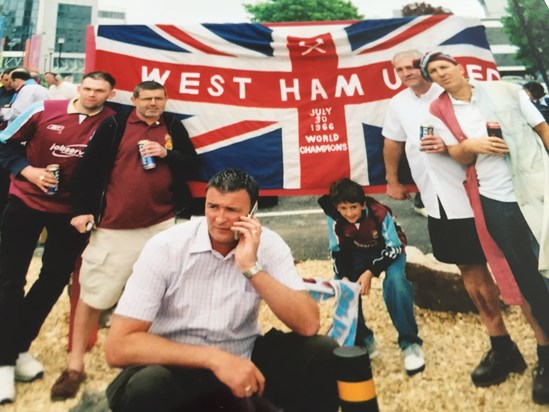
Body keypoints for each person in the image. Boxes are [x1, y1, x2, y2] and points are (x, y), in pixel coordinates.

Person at [102, 168, 339, 412]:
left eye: (232, 210)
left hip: (243, 357)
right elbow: (118, 347)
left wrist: (251, 268)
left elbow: (308, 324)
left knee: (323, 353)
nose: (220, 218)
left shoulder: (269, 245)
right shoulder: (166, 247)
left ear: (252, 213)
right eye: (213, 207)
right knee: (147, 385)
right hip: (174, 365)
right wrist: (214, 358)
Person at [382, 50, 532, 388]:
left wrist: (452, 147)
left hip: (481, 196)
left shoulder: (454, 95)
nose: (408, 72)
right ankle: (502, 346)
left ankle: (544, 348)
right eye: (400, 69)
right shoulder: (399, 103)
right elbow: (392, 141)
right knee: (473, 277)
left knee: (518, 272)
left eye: (414, 66)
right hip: (440, 204)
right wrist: (392, 179)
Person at [51, 80, 200, 400]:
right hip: (115, 226)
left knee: (168, 294)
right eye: (146, 98)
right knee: (93, 292)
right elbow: (87, 170)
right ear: (133, 99)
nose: (152, 104)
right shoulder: (114, 125)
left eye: (158, 98)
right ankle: (74, 365)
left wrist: (166, 153)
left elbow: (193, 165)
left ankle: (157, 359)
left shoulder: (173, 125)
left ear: (165, 100)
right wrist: (81, 210)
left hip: (162, 225)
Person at [421, 51, 549, 404]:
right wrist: (469, 146)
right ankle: (546, 359)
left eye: (444, 66)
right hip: (496, 200)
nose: (440, 74)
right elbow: (459, 156)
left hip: (537, 190)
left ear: (459, 67)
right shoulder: (441, 110)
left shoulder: (506, 91)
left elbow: (542, 128)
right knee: (528, 280)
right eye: (433, 72)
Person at [0, 71, 117, 405]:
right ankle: (4, 363)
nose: (92, 95)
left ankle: (17, 348)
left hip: (70, 211)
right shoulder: (45, 109)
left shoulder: (112, 123)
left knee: (52, 280)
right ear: (79, 87)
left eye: (100, 91)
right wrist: (29, 171)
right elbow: (4, 143)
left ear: (111, 93)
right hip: (24, 201)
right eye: (88, 88)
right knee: (10, 280)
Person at [318, 178, 424, 376]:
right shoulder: (334, 217)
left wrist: (370, 271)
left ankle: (410, 343)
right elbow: (337, 251)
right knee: (343, 286)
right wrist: (346, 276)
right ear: (336, 207)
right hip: (357, 251)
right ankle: (363, 340)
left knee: (397, 284)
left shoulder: (380, 214)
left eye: (353, 207)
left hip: (389, 250)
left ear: (363, 204)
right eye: (343, 208)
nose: (349, 213)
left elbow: (394, 247)